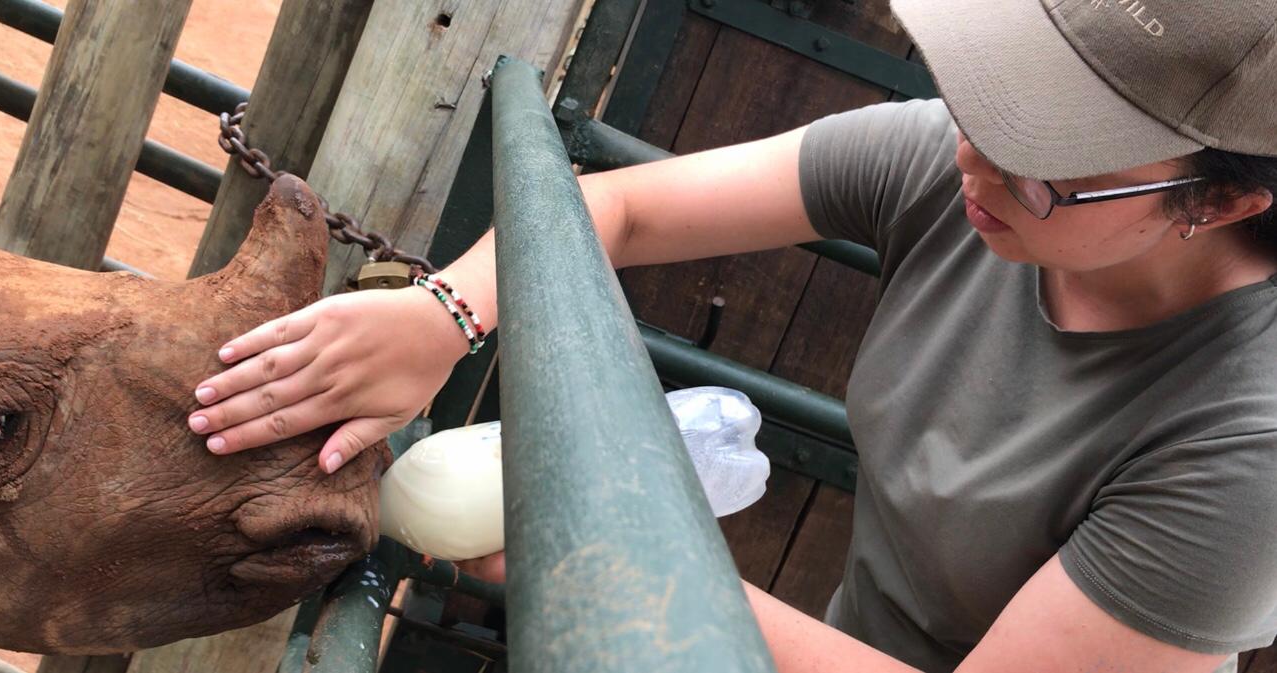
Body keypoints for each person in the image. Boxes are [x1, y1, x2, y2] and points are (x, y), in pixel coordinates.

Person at [185, 1, 1277, 671]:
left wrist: (612, 557)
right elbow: (618, 207)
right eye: (991, 101)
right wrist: (446, 312)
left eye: (1048, 154)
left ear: (1221, 203)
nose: (974, 160)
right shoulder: (961, 163)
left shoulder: (1246, 452)